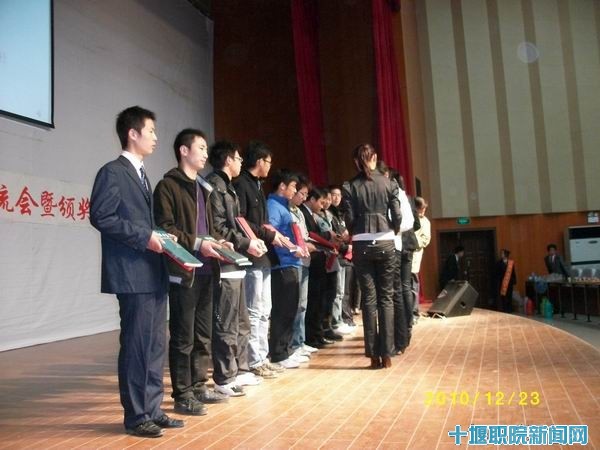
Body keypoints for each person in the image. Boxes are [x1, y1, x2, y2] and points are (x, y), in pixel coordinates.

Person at [90, 106, 182, 438]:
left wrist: (161, 236)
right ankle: (136, 415)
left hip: (152, 271)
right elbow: (102, 216)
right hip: (132, 273)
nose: (156, 137)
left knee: (155, 344)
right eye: (151, 131)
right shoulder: (113, 172)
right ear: (133, 133)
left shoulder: (142, 174)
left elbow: (141, 222)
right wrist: (145, 237)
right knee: (137, 344)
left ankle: (153, 409)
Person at [153, 128, 229, 416]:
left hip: (208, 269)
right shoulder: (168, 186)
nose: (206, 154)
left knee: (203, 334)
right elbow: (165, 229)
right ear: (184, 151)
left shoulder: (204, 188)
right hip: (184, 271)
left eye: (207, 149)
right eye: (201, 148)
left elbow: (207, 229)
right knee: (183, 336)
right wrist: (198, 243)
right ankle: (182, 394)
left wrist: (218, 242)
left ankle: (199, 386)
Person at [206, 141, 267, 397]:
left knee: (242, 321)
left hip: (237, 260)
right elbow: (219, 228)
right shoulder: (214, 186)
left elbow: (238, 224)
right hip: (224, 261)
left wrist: (251, 241)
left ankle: (240, 369)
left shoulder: (228, 187)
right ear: (228, 160)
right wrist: (246, 242)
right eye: (238, 158)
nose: (241, 162)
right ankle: (224, 377)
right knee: (226, 323)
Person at [341, 144, 401, 369]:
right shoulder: (389, 183)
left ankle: (373, 356)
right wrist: (392, 229)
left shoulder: (349, 186)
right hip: (386, 240)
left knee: (368, 299)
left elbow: (349, 218)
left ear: (356, 162)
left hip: (361, 243)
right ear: (375, 157)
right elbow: (397, 214)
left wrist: (357, 230)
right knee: (386, 297)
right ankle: (387, 355)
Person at [233, 141, 284, 379]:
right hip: (251, 255)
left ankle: (262, 357)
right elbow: (241, 221)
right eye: (269, 161)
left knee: (265, 310)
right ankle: (253, 360)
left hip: (264, 256)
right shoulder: (241, 184)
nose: (270, 166)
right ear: (260, 161)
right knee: (253, 311)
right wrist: (267, 235)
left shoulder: (258, 185)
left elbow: (263, 223)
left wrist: (276, 236)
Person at [267, 169, 309, 368]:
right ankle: (279, 353)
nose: (294, 190)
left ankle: (287, 349)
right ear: (282, 186)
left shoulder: (284, 207)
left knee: (291, 309)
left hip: (293, 262)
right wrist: (292, 248)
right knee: (283, 311)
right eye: (292, 186)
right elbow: (271, 232)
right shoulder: (273, 206)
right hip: (283, 264)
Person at [411, 197, 431, 319]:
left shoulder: (425, 222)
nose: (422, 212)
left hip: (414, 256)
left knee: (413, 285)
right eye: (421, 209)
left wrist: (412, 242)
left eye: (424, 209)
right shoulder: (408, 218)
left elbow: (425, 239)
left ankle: (414, 312)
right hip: (403, 255)